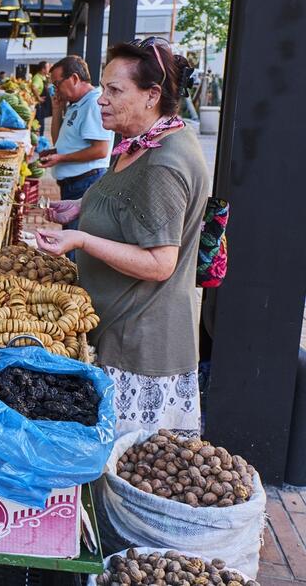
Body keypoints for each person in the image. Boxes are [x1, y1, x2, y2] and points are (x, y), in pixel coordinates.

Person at [37, 38, 207, 437]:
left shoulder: (163, 162)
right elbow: (129, 206)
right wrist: (82, 207)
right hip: (116, 326)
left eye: (114, 90)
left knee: (123, 469)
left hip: (140, 344)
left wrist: (81, 240)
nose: (101, 100)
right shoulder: (138, 143)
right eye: (104, 87)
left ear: (152, 95)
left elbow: (160, 262)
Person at [39, 56, 115, 231]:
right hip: (74, 184)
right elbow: (58, 139)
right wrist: (57, 108)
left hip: (85, 183)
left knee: (76, 242)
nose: (55, 89)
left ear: (74, 78)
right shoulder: (77, 103)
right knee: (70, 238)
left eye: (57, 84)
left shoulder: (93, 104)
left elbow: (101, 150)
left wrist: (61, 158)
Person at [31, 62, 52, 133]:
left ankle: (40, 136)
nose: (49, 69)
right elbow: (34, 87)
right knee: (38, 123)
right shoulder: (37, 77)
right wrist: (39, 97)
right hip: (38, 104)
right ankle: (37, 137)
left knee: (41, 122)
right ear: (43, 69)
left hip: (42, 105)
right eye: (48, 67)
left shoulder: (43, 77)